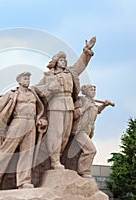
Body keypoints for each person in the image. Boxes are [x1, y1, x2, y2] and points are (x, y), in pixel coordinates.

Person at [33, 37, 96, 170]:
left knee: (65, 135)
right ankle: (54, 160)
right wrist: (50, 88)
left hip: (69, 105)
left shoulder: (70, 73)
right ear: (56, 62)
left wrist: (86, 51)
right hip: (55, 105)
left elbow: (80, 65)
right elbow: (36, 89)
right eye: (61, 60)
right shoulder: (49, 75)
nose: (64, 62)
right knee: (56, 133)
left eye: (65, 60)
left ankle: (58, 158)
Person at [0, 72, 47, 190]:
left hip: (31, 123)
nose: (28, 81)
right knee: (6, 150)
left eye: (29, 78)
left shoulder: (33, 93)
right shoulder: (12, 93)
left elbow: (39, 110)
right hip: (17, 121)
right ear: (19, 81)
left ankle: (24, 182)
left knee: (27, 153)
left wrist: (41, 119)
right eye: (25, 78)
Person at [70, 85, 113, 178]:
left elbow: (96, 111)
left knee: (78, 153)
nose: (93, 91)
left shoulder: (92, 102)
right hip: (79, 130)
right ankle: (84, 172)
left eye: (94, 90)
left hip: (89, 131)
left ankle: (78, 171)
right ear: (85, 91)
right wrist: (85, 107)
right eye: (91, 89)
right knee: (91, 150)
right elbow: (74, 114)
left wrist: (104, 105)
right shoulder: (80, 100)